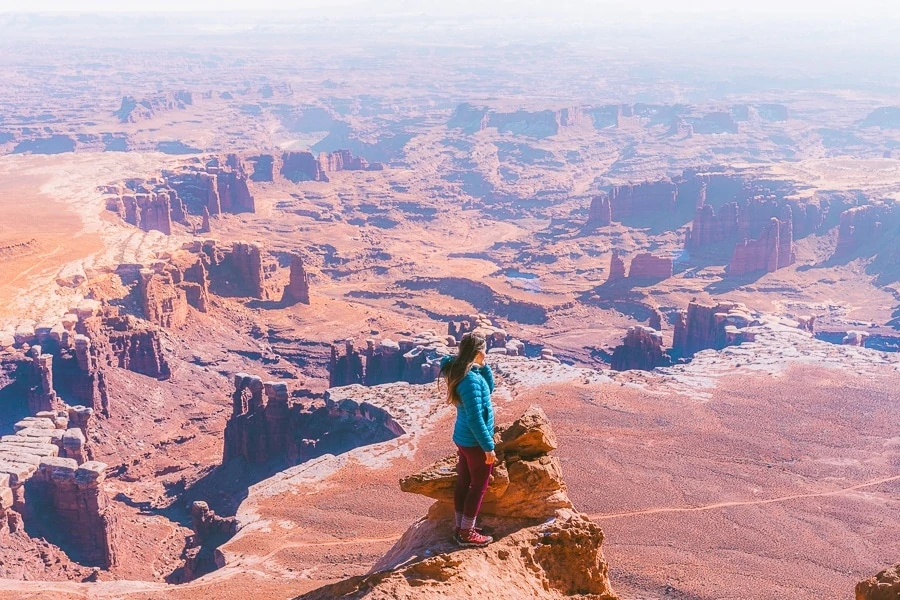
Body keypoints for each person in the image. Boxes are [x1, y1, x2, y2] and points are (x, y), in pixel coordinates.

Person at [439, 332, 496, 547]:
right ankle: (466, 533)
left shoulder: (467, 371)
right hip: (474, 442)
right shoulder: (470, 380)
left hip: (464, 440)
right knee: (478, 486)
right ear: (479, 351)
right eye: (484, 350)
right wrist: (488, 447)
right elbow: (474, 418)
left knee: (464, 482)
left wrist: (484, 366)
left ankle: (461, 526)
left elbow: (489, 390)